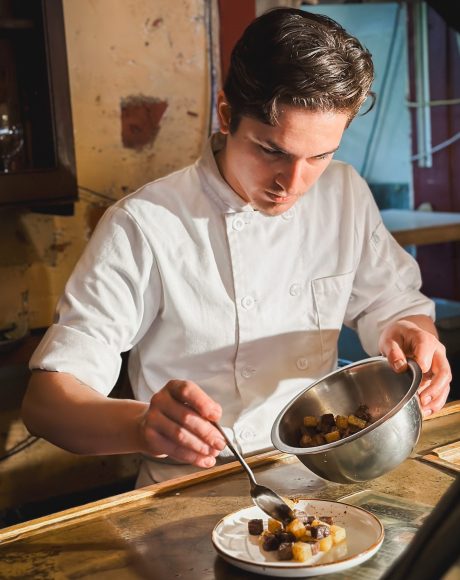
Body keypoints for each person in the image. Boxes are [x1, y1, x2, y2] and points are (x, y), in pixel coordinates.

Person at [22, 7, 451, 487]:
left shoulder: (344, 191)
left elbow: (389, 303)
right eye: (272, 151)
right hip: (188, 488)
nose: (293, 183)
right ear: (227, 115)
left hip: (320, 470)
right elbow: (46, 403)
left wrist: (411, 331)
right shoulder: (145, 224)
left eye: (320, 156)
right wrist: (142, 427)